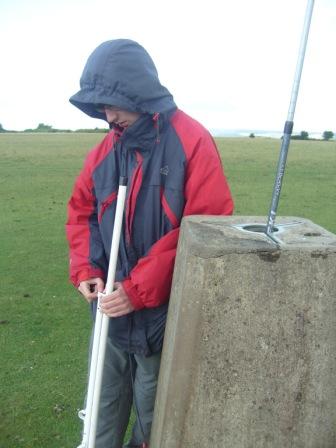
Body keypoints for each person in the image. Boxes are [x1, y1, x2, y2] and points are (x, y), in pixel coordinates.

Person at [66, 39, 233, 448]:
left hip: (163, 314)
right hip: (108, 310)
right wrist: (87, 269)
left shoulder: (192, 141)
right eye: (98, 105)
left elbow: (207, 229)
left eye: (110, 102)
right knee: (102, 408)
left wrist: (139, 290)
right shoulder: (106, 150)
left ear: (135, 90)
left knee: (154, 416)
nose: (106, 114)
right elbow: (82, 212)